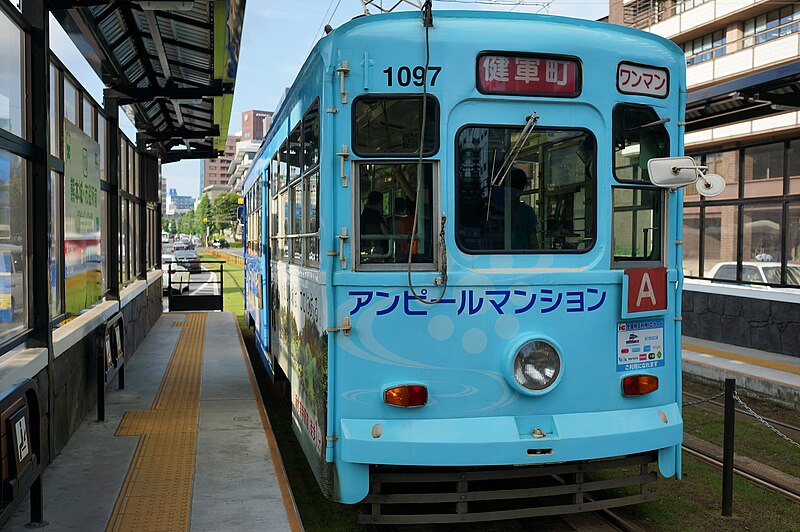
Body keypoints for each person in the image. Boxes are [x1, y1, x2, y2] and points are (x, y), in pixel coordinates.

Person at [505, 168, 540, 249]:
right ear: (524, 187)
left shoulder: (497, 209)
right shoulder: (527, 212)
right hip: (524, 257)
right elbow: (533, 241)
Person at [360, 191, 388, 257]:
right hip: (376, 248)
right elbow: (385, 233)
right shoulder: (377, 216)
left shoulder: (361, 213)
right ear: (380, 203)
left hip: (362, 247)